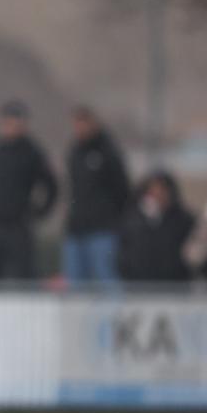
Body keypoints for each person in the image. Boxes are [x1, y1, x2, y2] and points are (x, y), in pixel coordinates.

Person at [0, 100, 57, 281]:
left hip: (18, 227)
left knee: (24, 275)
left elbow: (51, 186)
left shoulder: (33, 152)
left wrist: (37, 213)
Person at [63, 106, 130, 286]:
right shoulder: (74, 151)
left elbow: (122, 189)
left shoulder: (108, 151)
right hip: (76, 228)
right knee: (75, 283)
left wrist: (114, 218)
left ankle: (112, 315)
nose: (79, 129)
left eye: (83, 124)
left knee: (107, 278)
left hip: (103, 229)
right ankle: (78, 315)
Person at [117, 170, 194, 282]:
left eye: (162, 190)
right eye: (152, 191)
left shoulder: (183, 219)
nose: (157, 195)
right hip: (139, 284)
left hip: (175, 285)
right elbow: (125, 251)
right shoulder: (132, 219)